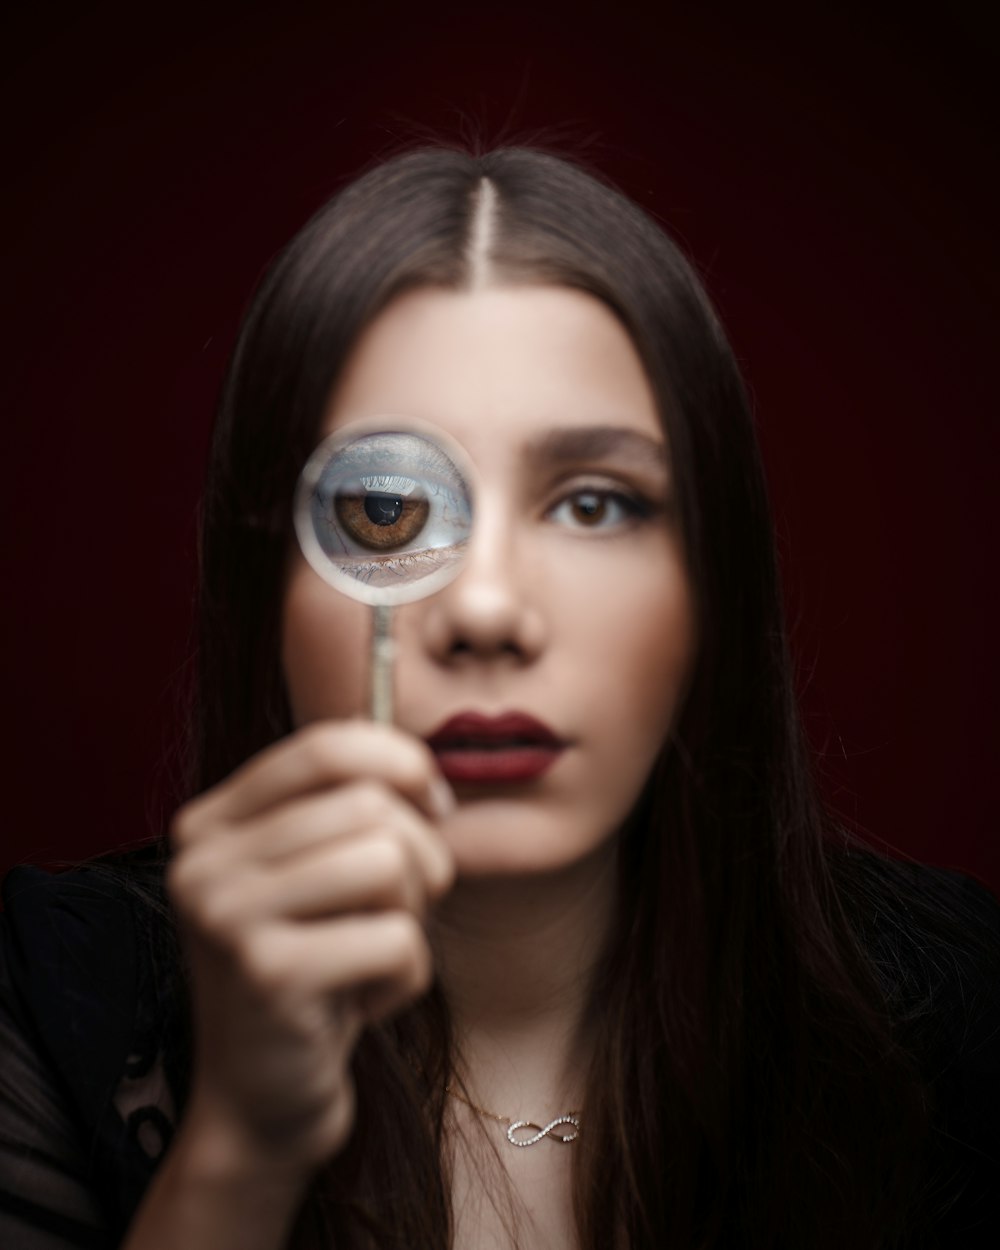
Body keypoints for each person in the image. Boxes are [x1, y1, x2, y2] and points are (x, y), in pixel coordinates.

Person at [1, 144, 997, 1250]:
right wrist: (240, 1153)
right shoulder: (47, 1012)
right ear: (261, 589)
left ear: (711, 584)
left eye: (591, 504)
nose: (483, 609)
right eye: (384, 506)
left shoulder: (967, 1019)